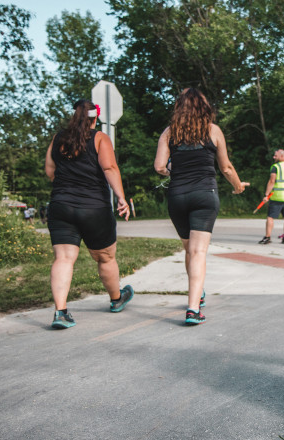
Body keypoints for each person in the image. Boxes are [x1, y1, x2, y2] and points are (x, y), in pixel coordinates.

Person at [154, 88, 248, 325]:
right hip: (205, 195)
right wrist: (238, 187)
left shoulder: (169, 132)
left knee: (189, 250)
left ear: (179, 107)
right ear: (204, 107)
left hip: (178, 196)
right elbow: (226, 167)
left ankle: (198, 294)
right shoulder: (213, 130)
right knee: (198, 252)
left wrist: (175, 170)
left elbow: (159, 167)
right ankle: (193, 308)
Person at [44, 99, 134, 329]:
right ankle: (116, 299)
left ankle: (61, 312)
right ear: (96, 118)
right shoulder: (100, 138)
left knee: (64, 258)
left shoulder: (58, 138)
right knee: (105, 257)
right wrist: (121, 198)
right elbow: (109, 168)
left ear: (74, 117)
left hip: (61, 206)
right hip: (94, 208)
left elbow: (50, 171)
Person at [258, 149, 284, 245]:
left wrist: (267, 195)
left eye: (275, 156)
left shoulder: (276, 167)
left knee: (270, 217)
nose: (274, 157)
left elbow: (272, 181)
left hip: (277, 197)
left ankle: (267, 237)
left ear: (281, 156)